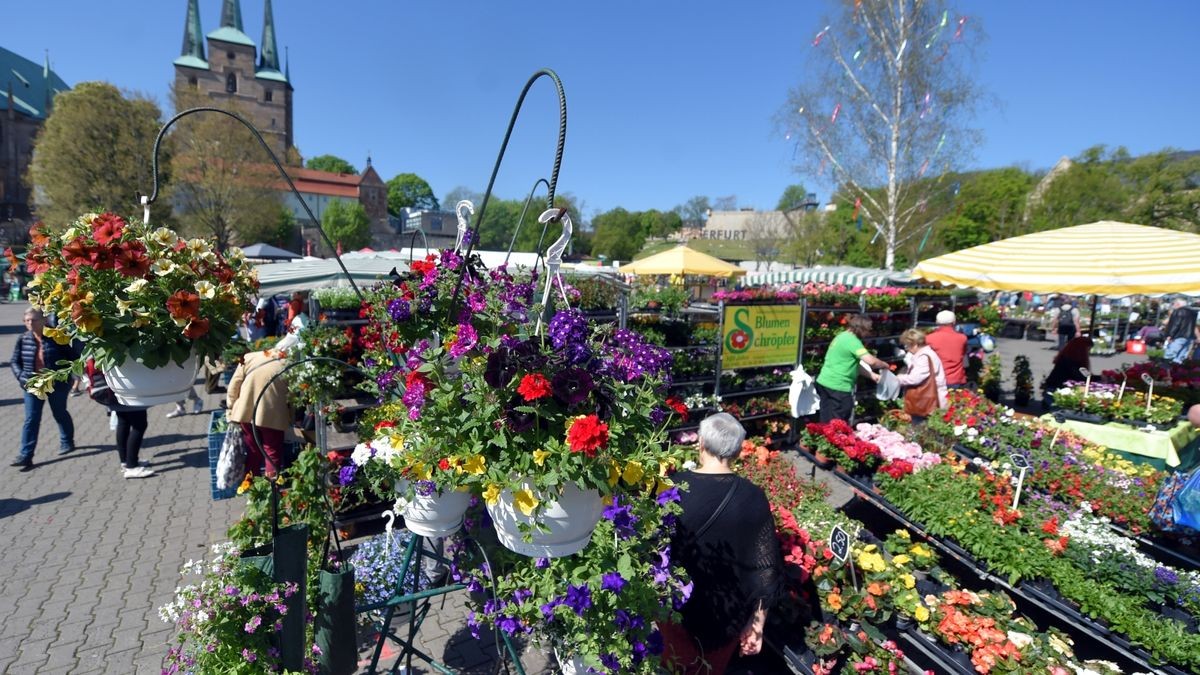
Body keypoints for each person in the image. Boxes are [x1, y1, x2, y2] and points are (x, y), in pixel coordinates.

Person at [663, 413, 784, 675]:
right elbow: (766, 568)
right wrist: (757, 624)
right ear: (738, 451)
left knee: (671, 665)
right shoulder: (754, 497)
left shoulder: (673, 487)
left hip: (676, 611)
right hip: (727, 619)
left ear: (701, 444)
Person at [10, 308, 77, 471]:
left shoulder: (57, 337)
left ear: (44, 320)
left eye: (34, 320)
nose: (30, 323)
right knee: (31, 419)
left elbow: (73, 358)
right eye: (27, 320)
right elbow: (14, 362)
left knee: (60, 413)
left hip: (57, 385)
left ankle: (67, 441)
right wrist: (22, 378)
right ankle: (26, 455)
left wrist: (67, 377)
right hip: (33, 385)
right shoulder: (23, 339)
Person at [226, 345, 291, 478]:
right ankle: (271, 489)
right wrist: (291, 417)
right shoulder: (289, 364)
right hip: (272, 416)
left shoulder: (249, 358)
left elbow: (234, 386)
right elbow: (293, 395)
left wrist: (231, 408)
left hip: (245, 412)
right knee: (271, 451)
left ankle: (251, 486)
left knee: (252, 450)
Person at [814, 314, 891, 423]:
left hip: (825, 382)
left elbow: (852, 363)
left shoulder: (842, 336)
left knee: (826, 420)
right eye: (868, 330)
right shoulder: (853, 341)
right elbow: (871, 361)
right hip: (838, 386)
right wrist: (885, 364)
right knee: (839, 422)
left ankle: (824, 439)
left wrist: (871, 375)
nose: (868, 334)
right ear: (861, 329)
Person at [85, 360, 154, 478]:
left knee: (124, 422)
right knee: (139, 425)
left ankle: (126, 461)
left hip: (110, 389)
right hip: (124, 387)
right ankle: (131, 467)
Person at [894, 329, 948, 422]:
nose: (907, 349)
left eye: (907, 345)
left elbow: (915, 379)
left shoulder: (923, 357)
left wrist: (897, 379)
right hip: (931, 400)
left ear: (915, 344)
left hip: (926, 402)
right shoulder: (927, 354)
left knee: (923, 429)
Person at [1042, 337, 1093, 410]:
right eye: (1088, 350)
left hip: (1055, 389)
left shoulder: (1067, 357)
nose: (1088, 353)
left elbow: (1086, 375)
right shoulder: (1070, 361)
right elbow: (1081, 376)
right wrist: (1100, 378)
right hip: (1055, 392)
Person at [925, 310, 968, 388]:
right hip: (956, 379)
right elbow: (963, 355)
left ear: (937, 322)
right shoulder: (962, 338)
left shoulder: (929, 339)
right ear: (954, 322)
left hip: (936, 378)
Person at [1161, 299, 1199, 364]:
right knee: (1180, 357)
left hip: (1179, 336)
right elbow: (1194, 325)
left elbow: (1176, 324)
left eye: (1174, 304)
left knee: (1169, 355)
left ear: (1177, 304)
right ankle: (1177, 371)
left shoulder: (1179, 311)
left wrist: (1170, 335)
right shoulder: (1193, 312)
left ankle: (1165, 370)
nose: (1173, 306)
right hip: (1189, 336)